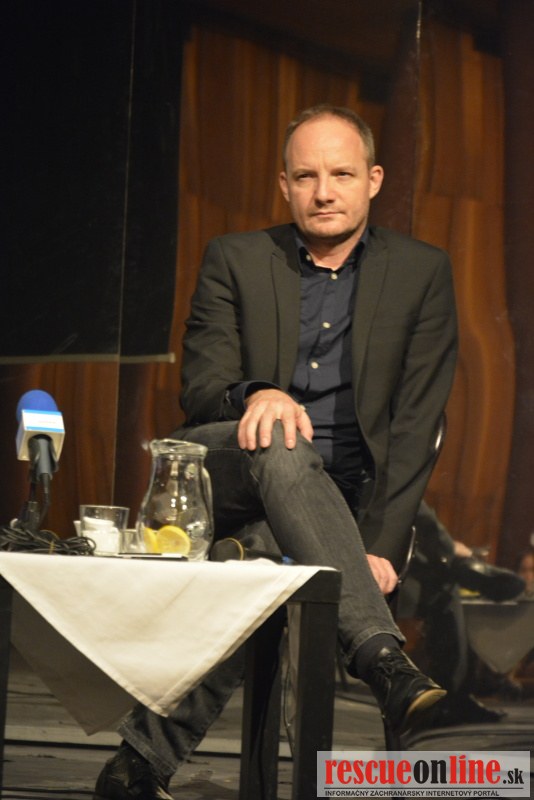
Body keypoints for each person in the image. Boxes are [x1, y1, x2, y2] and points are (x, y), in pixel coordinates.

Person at [93, 104, 458, 799]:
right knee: (282, 440)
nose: (324, 192)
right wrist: (258, 393)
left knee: (261, 560)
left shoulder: (422, 272)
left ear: (374, 180)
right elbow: (201, 386)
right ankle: (381, 657)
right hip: (226, 464)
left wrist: (380, 542)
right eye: (306, 176)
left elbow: (416, 424)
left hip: (332, 500)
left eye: (341, 174)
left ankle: (137, 767)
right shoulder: (235, 258)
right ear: (284, 185)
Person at [399, 501, 526, 728]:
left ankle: (462, 567)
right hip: (377, 567)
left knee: (446, 589)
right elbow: (413, 508)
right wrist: (449, 547)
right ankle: (463, 567)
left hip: (395, 560)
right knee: (444, 591)